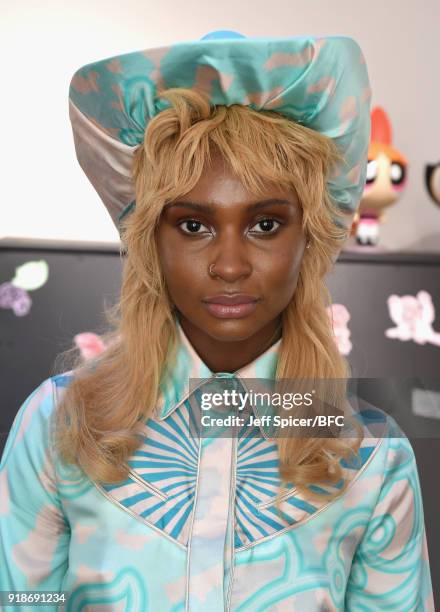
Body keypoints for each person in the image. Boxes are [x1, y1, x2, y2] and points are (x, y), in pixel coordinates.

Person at [0, 31, 434, 611]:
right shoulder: (58, 426)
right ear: (149, 239)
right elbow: (23, 601)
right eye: (193, 225)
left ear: (310, 236)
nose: (229, 265)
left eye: (265, 225)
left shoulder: (372, 454)